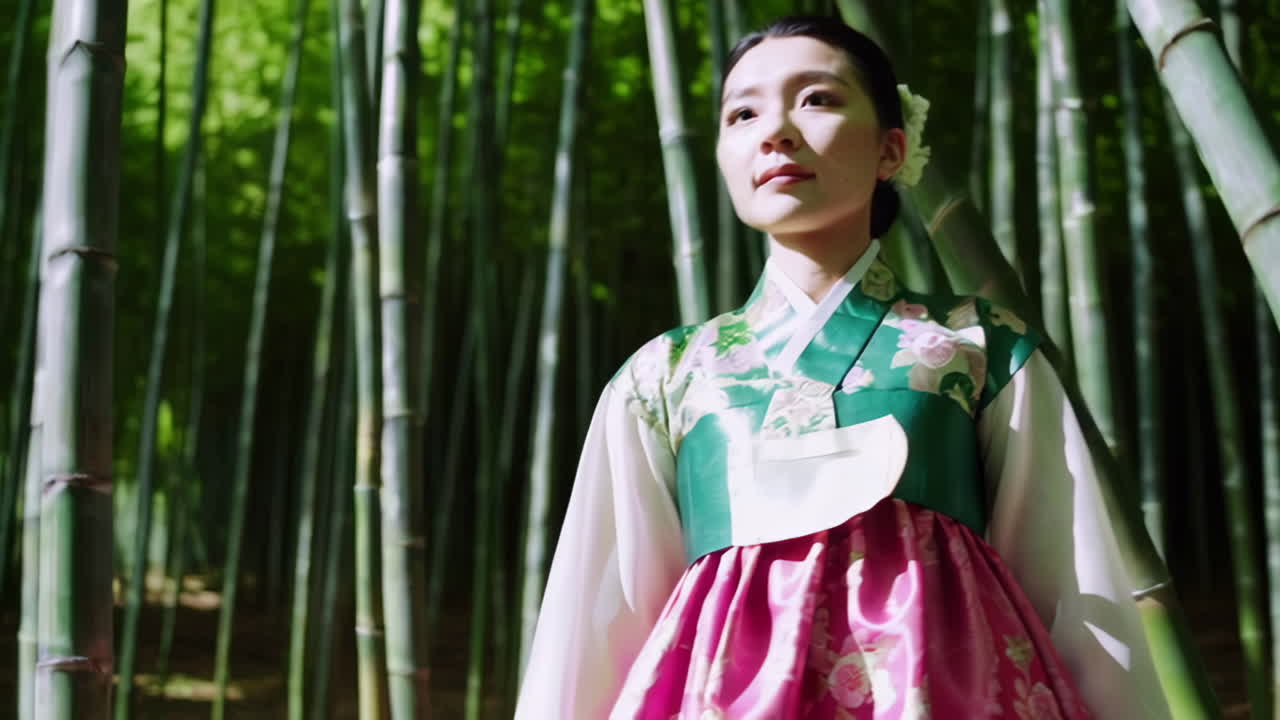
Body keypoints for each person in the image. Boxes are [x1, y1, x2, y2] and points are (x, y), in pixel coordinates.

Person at [514, 15, 1170, 719]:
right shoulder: (667, 376)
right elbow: (600, 624)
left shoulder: (981, 348)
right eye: (743, 113)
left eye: (817, 99)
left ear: (893, 149)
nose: (776, 131)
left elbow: (1074, 589)